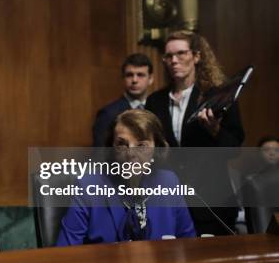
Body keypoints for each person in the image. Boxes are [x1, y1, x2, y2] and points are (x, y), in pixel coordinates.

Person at [146, 30, 244, 236]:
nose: (174, 60)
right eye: (168, 56)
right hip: (169, 201)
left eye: (181, 53)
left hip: (211, 202)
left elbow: (234, 148)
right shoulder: (155, 100)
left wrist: (215, 130)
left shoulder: (219, 94)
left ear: (196, 56)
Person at [56, 109, 196, 245]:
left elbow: (189, 244)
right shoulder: (89, 185)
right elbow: (65, 252)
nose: (130, 154)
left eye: (141, 145)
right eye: (122, 144)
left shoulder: (168, 182)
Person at [92, 53, 154, 146]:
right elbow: (100, 154)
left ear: (151, 79)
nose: (134, 80)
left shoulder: (158, 108)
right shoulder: (108, 114)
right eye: (129, 75)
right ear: (123, 78)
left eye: (140, 75)